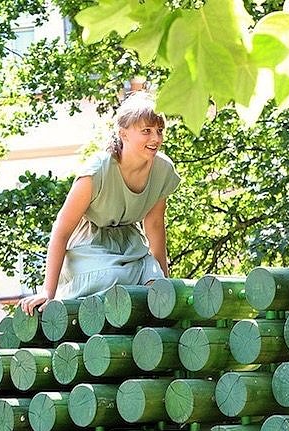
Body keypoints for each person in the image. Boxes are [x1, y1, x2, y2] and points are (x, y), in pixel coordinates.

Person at [18, 90, 182, 314]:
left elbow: (154, 226)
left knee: (156, 287)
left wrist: (162, 278)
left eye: (159, 131)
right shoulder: (97, 171)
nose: (155, 139)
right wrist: (48, 292)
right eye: (146, 131)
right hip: (90, 246)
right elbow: (62, 229)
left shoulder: (163, 169)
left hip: (132, 245)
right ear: (123, 134)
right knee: (114, 278)